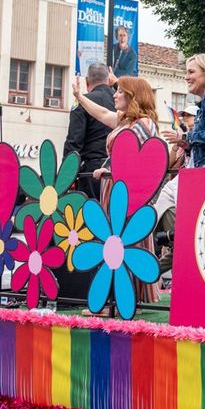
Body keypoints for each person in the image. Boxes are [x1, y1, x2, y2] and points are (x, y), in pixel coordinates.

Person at [71, 74, 161, 308]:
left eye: (120, 91)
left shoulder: (144, 124)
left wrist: (110, 169)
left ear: (133, 96)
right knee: (114, 239)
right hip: (114, 187)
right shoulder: (125, 121)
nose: (115, 95)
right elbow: (101, 114)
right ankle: (119, 296)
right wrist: (80, 96)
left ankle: (123, 298)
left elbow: (135, 160)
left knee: (124, 240)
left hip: (129, 191)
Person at [152, 103, 197, 277]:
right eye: (184, 115)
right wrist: (177, 144)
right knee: (180, 244)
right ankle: (147, 273)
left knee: (182, 244)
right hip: (173, 195)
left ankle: (148, 273)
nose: (185, 119)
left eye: (189, 115)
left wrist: (184, 139)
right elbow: (167, 165)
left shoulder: (197, 137)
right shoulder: (183, 139)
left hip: (187, 196)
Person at [63, 62, 115, 200]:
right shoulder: (120, 101)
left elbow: (74, 142)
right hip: (117, 169)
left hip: (91, 172)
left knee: (90, 212)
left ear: (87, 81)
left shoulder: (83, 102)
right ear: (109, 80)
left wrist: (66, 176)